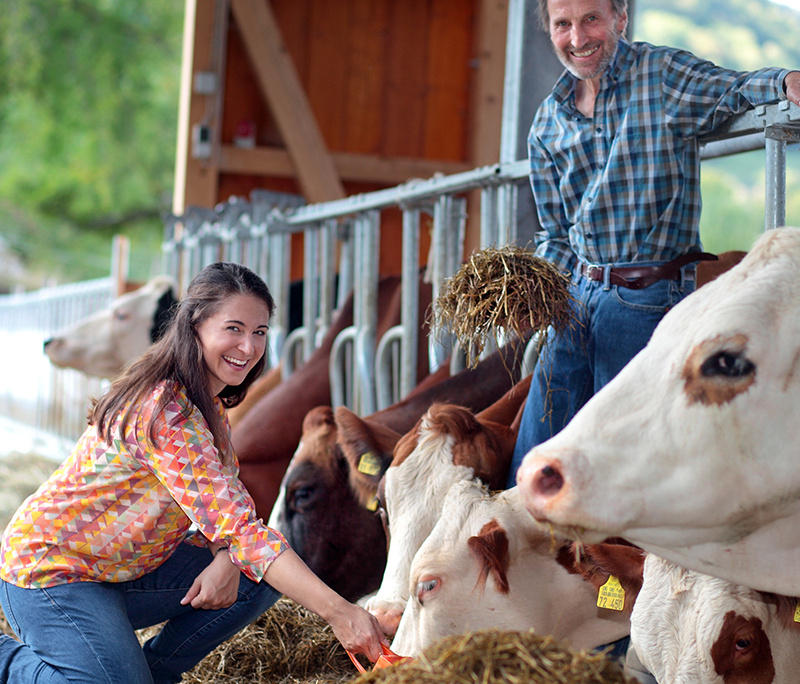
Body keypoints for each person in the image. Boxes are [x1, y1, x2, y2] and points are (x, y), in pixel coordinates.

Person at [0, 262, 388, 684]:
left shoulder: (209, 406)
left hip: (121, 571)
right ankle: (8, 662)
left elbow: (222, 509)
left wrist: (225, 555)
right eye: (234, 329)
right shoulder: (166, 410)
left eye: (259, 332)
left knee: (253, 575)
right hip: (51, 573)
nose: (249, 346)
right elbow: (242, 528)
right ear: (195, 326)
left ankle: (153, 674)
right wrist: (340, 612)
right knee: (256, 555)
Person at [508, 0, 800, 487]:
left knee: (614, 466)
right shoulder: (546, 123)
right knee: (533, 459)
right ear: (551, 31)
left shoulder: (661, 75)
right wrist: (532, 294)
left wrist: (785, 82)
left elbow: (732, 87)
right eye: (563, 24)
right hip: (574, 298)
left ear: (620, 18)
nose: (578, 37)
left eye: (591, 19)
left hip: (647, 297)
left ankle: (616, 563)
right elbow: (556, 235)